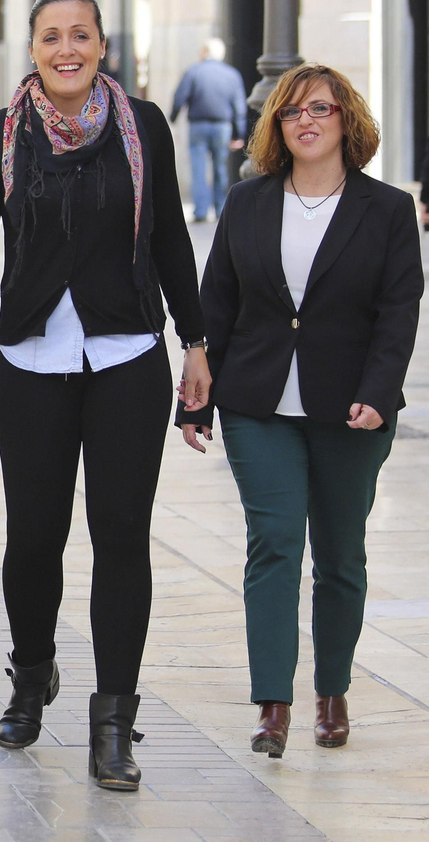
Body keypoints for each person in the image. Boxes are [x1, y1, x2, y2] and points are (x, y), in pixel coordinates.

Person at [0, 0, 209, 791]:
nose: (68, 48)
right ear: (32, 48)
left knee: (122, 535)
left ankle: (113, 722)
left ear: (103, 45)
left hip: (129, 352)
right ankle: (32, 674)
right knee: (33, 538)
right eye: (53, 36)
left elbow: (168, 235)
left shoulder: (146, 127)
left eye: (82, 35)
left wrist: (196, 344)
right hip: (33, 360)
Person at [180, 64, 421, 758]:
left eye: (321, 108)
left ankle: (333, 690)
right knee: (275, 544)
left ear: (348, 119)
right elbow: (216, 302)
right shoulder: (248, 202)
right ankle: (273, 704)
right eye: (291, 112)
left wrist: (379, 393)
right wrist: (197, 399)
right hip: (258, 403)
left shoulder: (386, 209)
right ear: (276, 127)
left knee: (341, 556)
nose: (306, 121)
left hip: (352, 409)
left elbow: (398, 312)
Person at [170, 37, 248, 222]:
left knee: (198, 168)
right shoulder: (231, 74)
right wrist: (239, 133)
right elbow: (239, 107)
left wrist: (172, 119)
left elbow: (179, 97)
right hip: (223, 127)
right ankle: (220, 209)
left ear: (204, 52)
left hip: (198, 126)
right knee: (220, 168)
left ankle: (201, 211)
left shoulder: (193, 71)